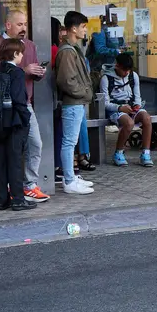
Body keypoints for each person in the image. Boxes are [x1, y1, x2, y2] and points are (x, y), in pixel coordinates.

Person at [0, 10, 50, 203]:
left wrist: (38, 72)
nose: (23, 28)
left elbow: (32, 71)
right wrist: (24, 70)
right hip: (3, 106)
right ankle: (4, 188)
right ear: (8, 25)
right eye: (19, 24)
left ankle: (29, 185)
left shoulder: (29, 45)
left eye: (25, 24)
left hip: (24, 103)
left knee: (35, 143)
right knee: (5, 147)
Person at [0, 39, 36, 211]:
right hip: (15, 122)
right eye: (21, 53)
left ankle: (2, 199)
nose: (22, 56)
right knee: (16, 161)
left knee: (1, 161)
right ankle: (18, 199)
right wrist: (25, 119)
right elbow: (19, 99)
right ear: (16, 54)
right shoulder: (17, 72)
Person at [55, 11, 95, 195]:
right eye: (83, 26)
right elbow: (66, 81)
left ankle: (71, 177)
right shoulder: (67, 52)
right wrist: (85, 93)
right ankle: (69, 180)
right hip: (73, 103)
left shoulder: (72, 49)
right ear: (73, 28)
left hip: (76, 102)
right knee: (69, 142)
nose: (85, 30)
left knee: (71, 141)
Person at [100, 53, 154, 167]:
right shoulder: (106, 78)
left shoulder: (133, 76)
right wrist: (120, 108)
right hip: (115, 109)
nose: (126, 73)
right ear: (117, 66)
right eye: (124, 70)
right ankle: (118, 153)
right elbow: (105, 103)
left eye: (128, 70)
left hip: (130, 107)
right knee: (129, 123)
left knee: (147, 119)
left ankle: (146, 153)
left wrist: (137, 105)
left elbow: (137, 95)